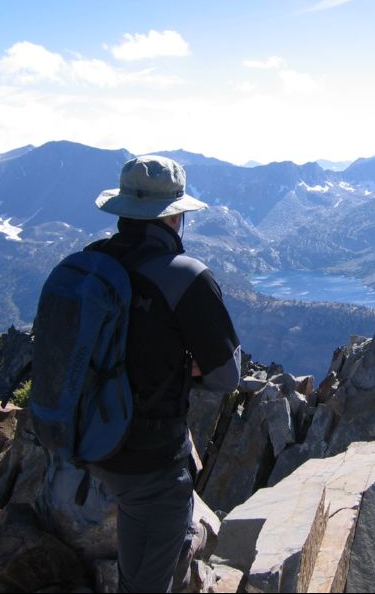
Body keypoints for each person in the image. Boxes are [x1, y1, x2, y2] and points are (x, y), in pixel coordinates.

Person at [89, 154, 241, 593]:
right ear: (175, 215)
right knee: (149, 580)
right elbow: (226, 377)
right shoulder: (185, 276)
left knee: (139, 555)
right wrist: (184, 369)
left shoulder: (92, 262)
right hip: (148, 458)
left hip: (87, 439)